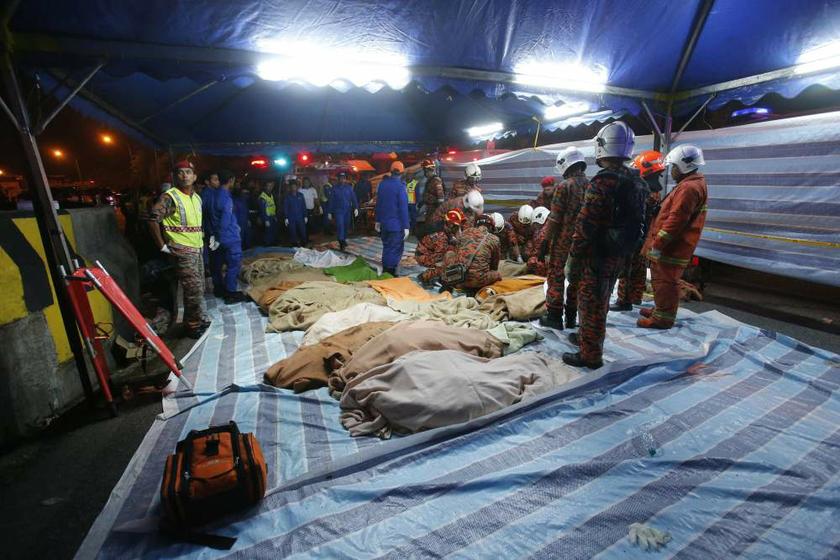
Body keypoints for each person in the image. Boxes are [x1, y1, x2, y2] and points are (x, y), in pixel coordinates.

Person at [564, 121, 643, 368]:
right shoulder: (635, 179)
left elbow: (586, 224)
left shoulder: (603, 182)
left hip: (597, 253)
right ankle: (588, 338)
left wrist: (574, 257)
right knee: (603, 298)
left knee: (590, 302)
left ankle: (590, 355)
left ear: (602, 145)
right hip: (619, 252)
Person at [638, 145, 708, 329]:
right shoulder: (690, 184)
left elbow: (676, 220)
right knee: (661, 280)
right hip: (673, 245)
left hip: (672, 246)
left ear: (684, 166)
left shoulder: (689, 188)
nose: (671, 171)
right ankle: (660, 310)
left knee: (666, 282)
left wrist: (657, 244)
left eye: (674, 167)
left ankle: (662, 319)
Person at [145, 160, 210, 338]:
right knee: (193, 290)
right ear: (175, 176)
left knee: (199, 287)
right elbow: (153, 220)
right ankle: (192, 325)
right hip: (181, 250)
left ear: (194, 176)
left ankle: (197, 318)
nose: (184, 175)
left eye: (188, 172)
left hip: (197, 248)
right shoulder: (170, 197)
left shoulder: (196, 198)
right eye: (180, 172)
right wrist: (161, 245)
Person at [540, 146, 590, 330]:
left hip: (563, 240)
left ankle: (554, 316)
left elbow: (554, 218)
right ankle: (571, 317)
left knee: (556, 275)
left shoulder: (564, 186)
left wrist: (545, 241)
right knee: (577, 277)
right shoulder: (591, 184)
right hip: (583, 240)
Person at [612, 150, 665, 311]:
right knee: (639, 267)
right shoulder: (654, 191)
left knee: (628, 266)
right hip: (645, 235)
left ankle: (624, 301)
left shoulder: (643, 191)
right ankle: (635, 297)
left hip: (635, 235)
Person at [209, 171, 247, 304]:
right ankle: (230, 293)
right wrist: (221, 236)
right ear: (231, 180)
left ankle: (219, 288)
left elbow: (211, 215)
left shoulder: (213, 194)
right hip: (229, 237)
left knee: (217, 264)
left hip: (216, 236)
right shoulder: (226, 198)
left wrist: (215, 236)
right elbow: (225, 220)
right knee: (233, 264)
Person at [444, 221, 501, 292]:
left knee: (449, 253)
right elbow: (494, 266)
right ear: (490, 227)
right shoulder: (494, 239)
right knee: (497, 274)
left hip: (459, 278)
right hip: (478, 281)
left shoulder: (465, 232)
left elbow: (457, 252)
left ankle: (448, 280)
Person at [375, 161, 410, 275]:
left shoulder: (382, 184)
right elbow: (403, 207)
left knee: (386, 246)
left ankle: (386, 268)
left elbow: (379, 204)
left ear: (390, 171)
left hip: (384, 224)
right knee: (395, 248)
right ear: (402, 172)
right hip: (396, 225)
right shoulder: (400, 186)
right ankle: (389, 271)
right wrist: (406, 226)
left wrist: (378, 221)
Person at [415, 207, 465, 285]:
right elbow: (438, 259)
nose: (458, 229)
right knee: (445, 264)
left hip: (427, 252)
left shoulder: (444, 227)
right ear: (450, 225)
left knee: (452, 251)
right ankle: (424, 277)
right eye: (457, 227)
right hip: (423, 256)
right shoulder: (441, 237)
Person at [328, 172, 359, 251]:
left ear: (345, 179)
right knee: (340, 225)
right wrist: (329, 212)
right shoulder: (334, 188)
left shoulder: (349, 188)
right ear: (338, 179)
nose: (342, 179)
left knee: (346, 225)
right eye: (341, 178)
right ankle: (341, 241)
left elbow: (353, 198)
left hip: (347, 210)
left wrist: (356, 208)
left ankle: (344, 239)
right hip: (338, 210)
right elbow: (331, 200)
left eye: (344, 178)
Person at [283, 176, 308, 247]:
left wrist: (305, 216)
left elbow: (303, 206)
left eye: (295, 186)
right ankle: (294, 243)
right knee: (292, 231)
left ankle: (304, 242)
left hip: (300, 217)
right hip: (291, 218)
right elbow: (285, 208)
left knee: (303, 230)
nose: (294, 188)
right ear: (290, 188)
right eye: (292, 187)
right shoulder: (287, 197)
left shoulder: (301, 195)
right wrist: (286, 218)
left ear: (297, 187)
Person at [525, 206, 550, 275]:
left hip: (552, 259)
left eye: (535, 224)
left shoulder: (542, 233)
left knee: (532, 262)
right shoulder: (552, 222)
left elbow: (537, 253)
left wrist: (529, 254)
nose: (535, 226)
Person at [233, 183, 252, 249]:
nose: (246, 195)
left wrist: (248, 220)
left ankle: (247, 249)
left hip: (245, 222)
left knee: (247, 237)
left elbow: (246, 211)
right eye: (245, 193)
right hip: (239, 223)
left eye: (247, 193)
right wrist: (236, 225)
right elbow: (234, 214)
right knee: (240, 238)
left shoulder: (245, 201)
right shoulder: (236, 201)